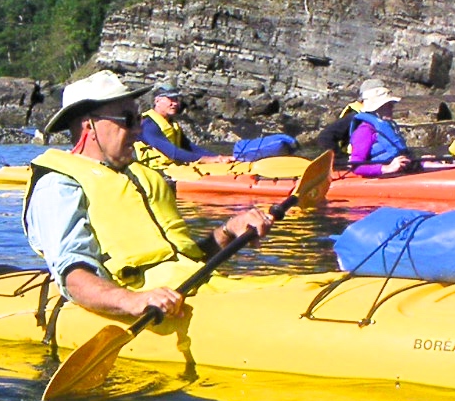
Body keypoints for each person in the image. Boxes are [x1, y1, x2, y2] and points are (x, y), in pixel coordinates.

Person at [23, 71, 274, 323]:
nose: (138, 129)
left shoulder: (146, 177)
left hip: (205, 288)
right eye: (128, 119)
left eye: (139, 120)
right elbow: (73, 275)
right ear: (90, 125)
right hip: (149, 303)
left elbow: (185, 259)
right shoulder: (58, 184)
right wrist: (131, 301)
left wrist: (227, 232)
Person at [136, 84, 228, 170]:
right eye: (170, 99)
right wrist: (207, 160)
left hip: (171, 167)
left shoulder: (171, 123)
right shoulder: (148, 124)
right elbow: (173, 152)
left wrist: (217, 157)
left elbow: (189, 147)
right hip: (155, 170)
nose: (175, 103)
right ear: (157, 101)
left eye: (176, 99)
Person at [348, 81, 416, 177]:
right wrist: (387, 168)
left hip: (400, 174)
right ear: (376, 108)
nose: (392, 107)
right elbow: (356, 166)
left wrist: (422, 162)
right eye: (387, 104)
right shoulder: (364, 131)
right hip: (380, 178)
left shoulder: (389, 127)